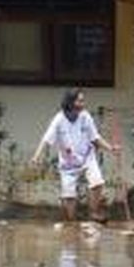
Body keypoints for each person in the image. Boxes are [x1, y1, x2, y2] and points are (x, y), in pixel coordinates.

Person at [31, 88, 118, 222]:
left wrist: (110, 148)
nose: (83, 104)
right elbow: (46, 140)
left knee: (97, 183)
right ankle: (71, 221)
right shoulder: (59, 119)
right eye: (80, 101)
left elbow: (95, 137)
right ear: (70, 102)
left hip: (87, 157)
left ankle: (94, 213)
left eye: (83, 101)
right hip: (68, 162)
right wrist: (36, 156)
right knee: (69, 196)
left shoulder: (85, 116)